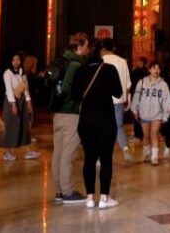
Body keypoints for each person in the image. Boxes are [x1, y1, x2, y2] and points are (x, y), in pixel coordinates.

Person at [72, 43, 123, 209]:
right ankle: (104, 199)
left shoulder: (80, 71)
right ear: (101, 53)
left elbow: (74, 95)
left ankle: (89, 198)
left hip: (86, 120)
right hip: (105, 120)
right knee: (106, 158)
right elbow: (118, 92)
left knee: (89, 158)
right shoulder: (109, 69)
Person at [51, 33, 90, 205]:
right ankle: (67, 192)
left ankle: (59, 190)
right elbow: (67, 88)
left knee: (58, 153)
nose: (88, 49)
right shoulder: (75, 64)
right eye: (87, 45)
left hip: (58, 114)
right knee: (68, 154)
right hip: (70, 114)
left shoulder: (63, 60)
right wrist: (76, 100)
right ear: (80, 46)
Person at [1, 52, 40, 162]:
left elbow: (25, 88)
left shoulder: (22, 72)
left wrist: (28, 102)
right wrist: (13, 105)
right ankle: (7, 152)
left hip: (22, 101)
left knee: (24, 126)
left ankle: (28, 151)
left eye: (18, 60)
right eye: (14, 60)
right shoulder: (7, 73)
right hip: (11, 102)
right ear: (10, 61)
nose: (16, 62)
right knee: (10, 127)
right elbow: (9, 90)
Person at [131, 61, 170, 166]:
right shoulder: (142, 82)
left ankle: (155, 156)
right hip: (144, 113)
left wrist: (165, 115)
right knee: (146, 135)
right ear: (149, 70)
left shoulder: (163, 85)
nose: (156, 71)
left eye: (158, 68)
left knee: (154, 134)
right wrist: (134, 108)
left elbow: (167, 101)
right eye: (154, 68)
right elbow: (136, 96)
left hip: (157, 114)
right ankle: (148, 153)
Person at [100, 39, 132, 164]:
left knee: (102, 128)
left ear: (102, 49)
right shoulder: (122, 61)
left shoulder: (101, 61)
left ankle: (100, 157)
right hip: (118, 100)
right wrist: (126, 99)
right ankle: (125, 148)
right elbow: (128, 84)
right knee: (118, 126)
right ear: (113, 48)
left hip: (103, 100)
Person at [129, 56, 149, 144]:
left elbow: (131, 83)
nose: (138, 63)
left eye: (139, 61)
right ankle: (145, 135)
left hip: (137, 96)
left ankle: (138, 135)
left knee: (136, 115)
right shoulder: (147, 72)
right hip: (145, 96)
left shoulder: (135, 72)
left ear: (142, 63)